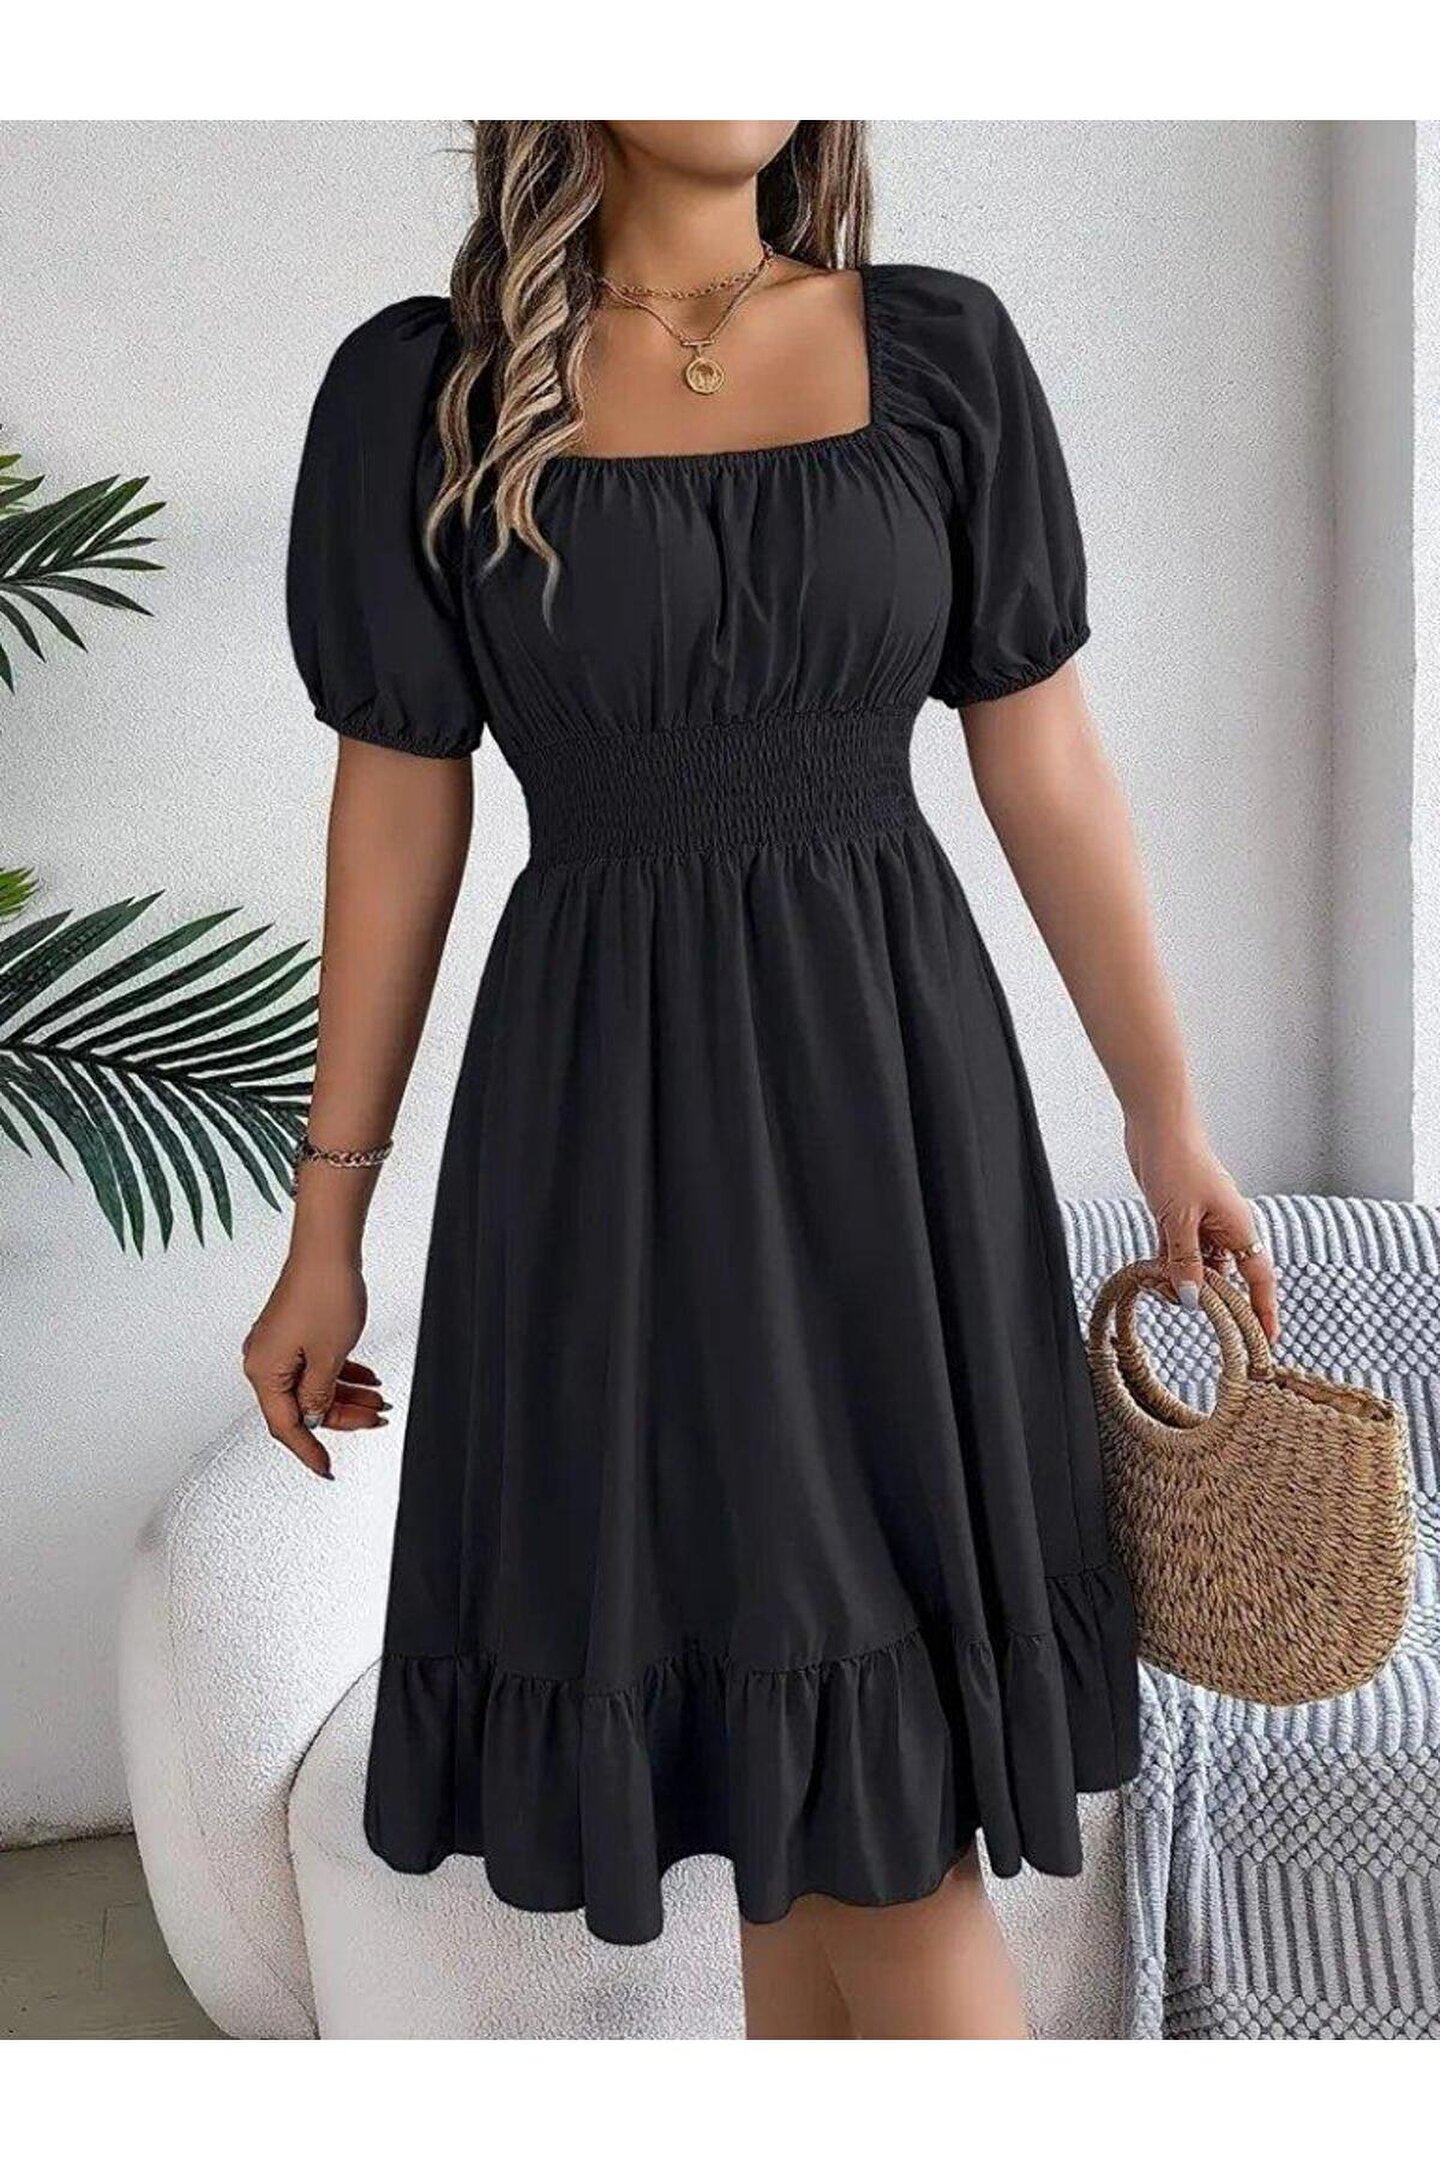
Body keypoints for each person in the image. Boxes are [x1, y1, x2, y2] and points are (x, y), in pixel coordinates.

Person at [244, 120, 1279, 2040]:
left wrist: (1164, 1116)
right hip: (603, 1129)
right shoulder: (426, 389)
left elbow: (1045, 763)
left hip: (894, 1110)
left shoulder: (943, 354)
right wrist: (328, 1230)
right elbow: (395, 819)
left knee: (858, 1816)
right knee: (808, 1790)